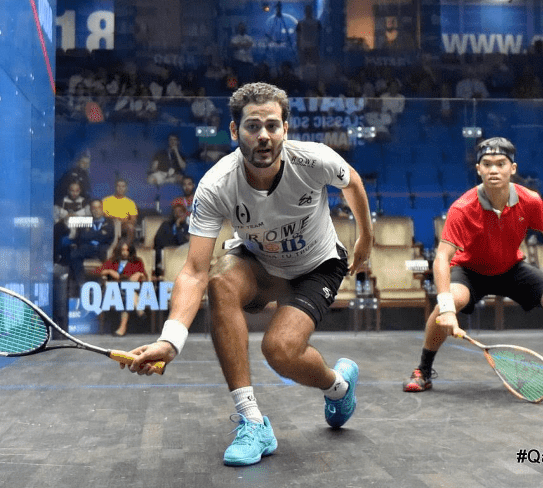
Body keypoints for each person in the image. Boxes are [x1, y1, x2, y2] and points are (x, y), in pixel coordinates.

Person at [123, 82, 374, 466]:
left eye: (272, 126)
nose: (263, 136)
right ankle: (252, 422)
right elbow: (194, 270)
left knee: (279, 351)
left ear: (285, 129)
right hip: (260, 263)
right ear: (234, 130)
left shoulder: (314, 160)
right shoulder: (216, 185)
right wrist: (170, 341)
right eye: (253, 126)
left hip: (317, 266)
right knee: (220, 280)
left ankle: (338, 387)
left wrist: (365, 239)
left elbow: (352, 181)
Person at [403, 137, 543, 393]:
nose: (493, 170)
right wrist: (446, 309)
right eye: (487, 164)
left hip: (511, 269)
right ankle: (423, 370)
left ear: (513, 168)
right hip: (469, 272)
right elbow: (442, 258)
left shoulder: (529, 200)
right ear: (478, 169)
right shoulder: (463, 208)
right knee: (445, 306)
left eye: (501, 164)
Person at [97, 240, 148, 337]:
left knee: (127, 290)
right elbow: (98, 271)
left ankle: (122, 328)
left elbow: (145, 277)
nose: (125, 252)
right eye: (122, 250)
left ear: (131, 251)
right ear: (119, 250)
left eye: (127, 250)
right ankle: (138, 308)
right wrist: (109, 271)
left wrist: (139, 274)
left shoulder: (137, 261)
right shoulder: (113, 261)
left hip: (132, 288)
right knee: (126, 292)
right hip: (116, 289)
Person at [67, 199, 115, 293]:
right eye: (94, 208)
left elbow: (107, 236)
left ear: (102, 208)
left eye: (99, 207)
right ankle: (81, 283)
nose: (96, 210)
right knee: (74, 254)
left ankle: (104, 287)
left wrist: (90, 234)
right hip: (87, 248)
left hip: (102, 249)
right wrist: (99, 233)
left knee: (110, 258)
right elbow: (82, 236)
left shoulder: (109, 221)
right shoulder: (85, 220)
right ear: (90, 210)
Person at [152, 202, 191, 276]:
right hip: (164, 255)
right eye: (175, 212)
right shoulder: (165, 225)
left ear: (185, 214)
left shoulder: (187, 228)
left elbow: (183, 243)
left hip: (181, 257)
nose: (178, 214)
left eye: (180, 212)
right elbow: (158, 241)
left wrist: (178, 227)